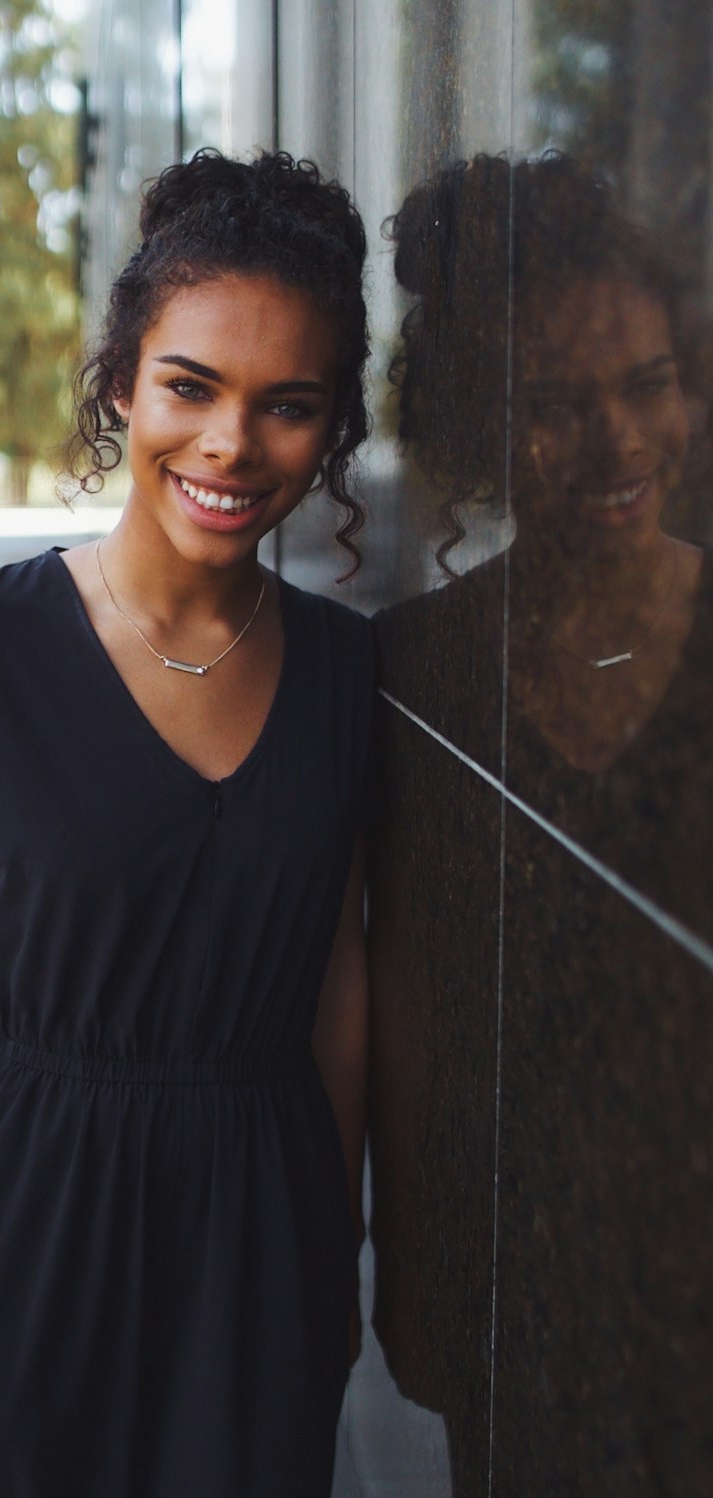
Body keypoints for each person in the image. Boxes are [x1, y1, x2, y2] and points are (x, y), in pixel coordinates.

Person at [0, 148, 375, 1498]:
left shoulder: (348, 677)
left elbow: (338, 981)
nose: (228, 444)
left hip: (260, 1224)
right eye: (190, 387)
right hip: (30, 1209)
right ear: (121, 386)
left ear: (333, 434)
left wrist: (339, 1244)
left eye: (288, 406)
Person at [369, 153, 712, 1496]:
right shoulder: (417, 673)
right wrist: (418, 1273)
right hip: (528, 1302)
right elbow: (410, 1005)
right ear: (475, 426)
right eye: (556, 408)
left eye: (649, 385)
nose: (624, 444)